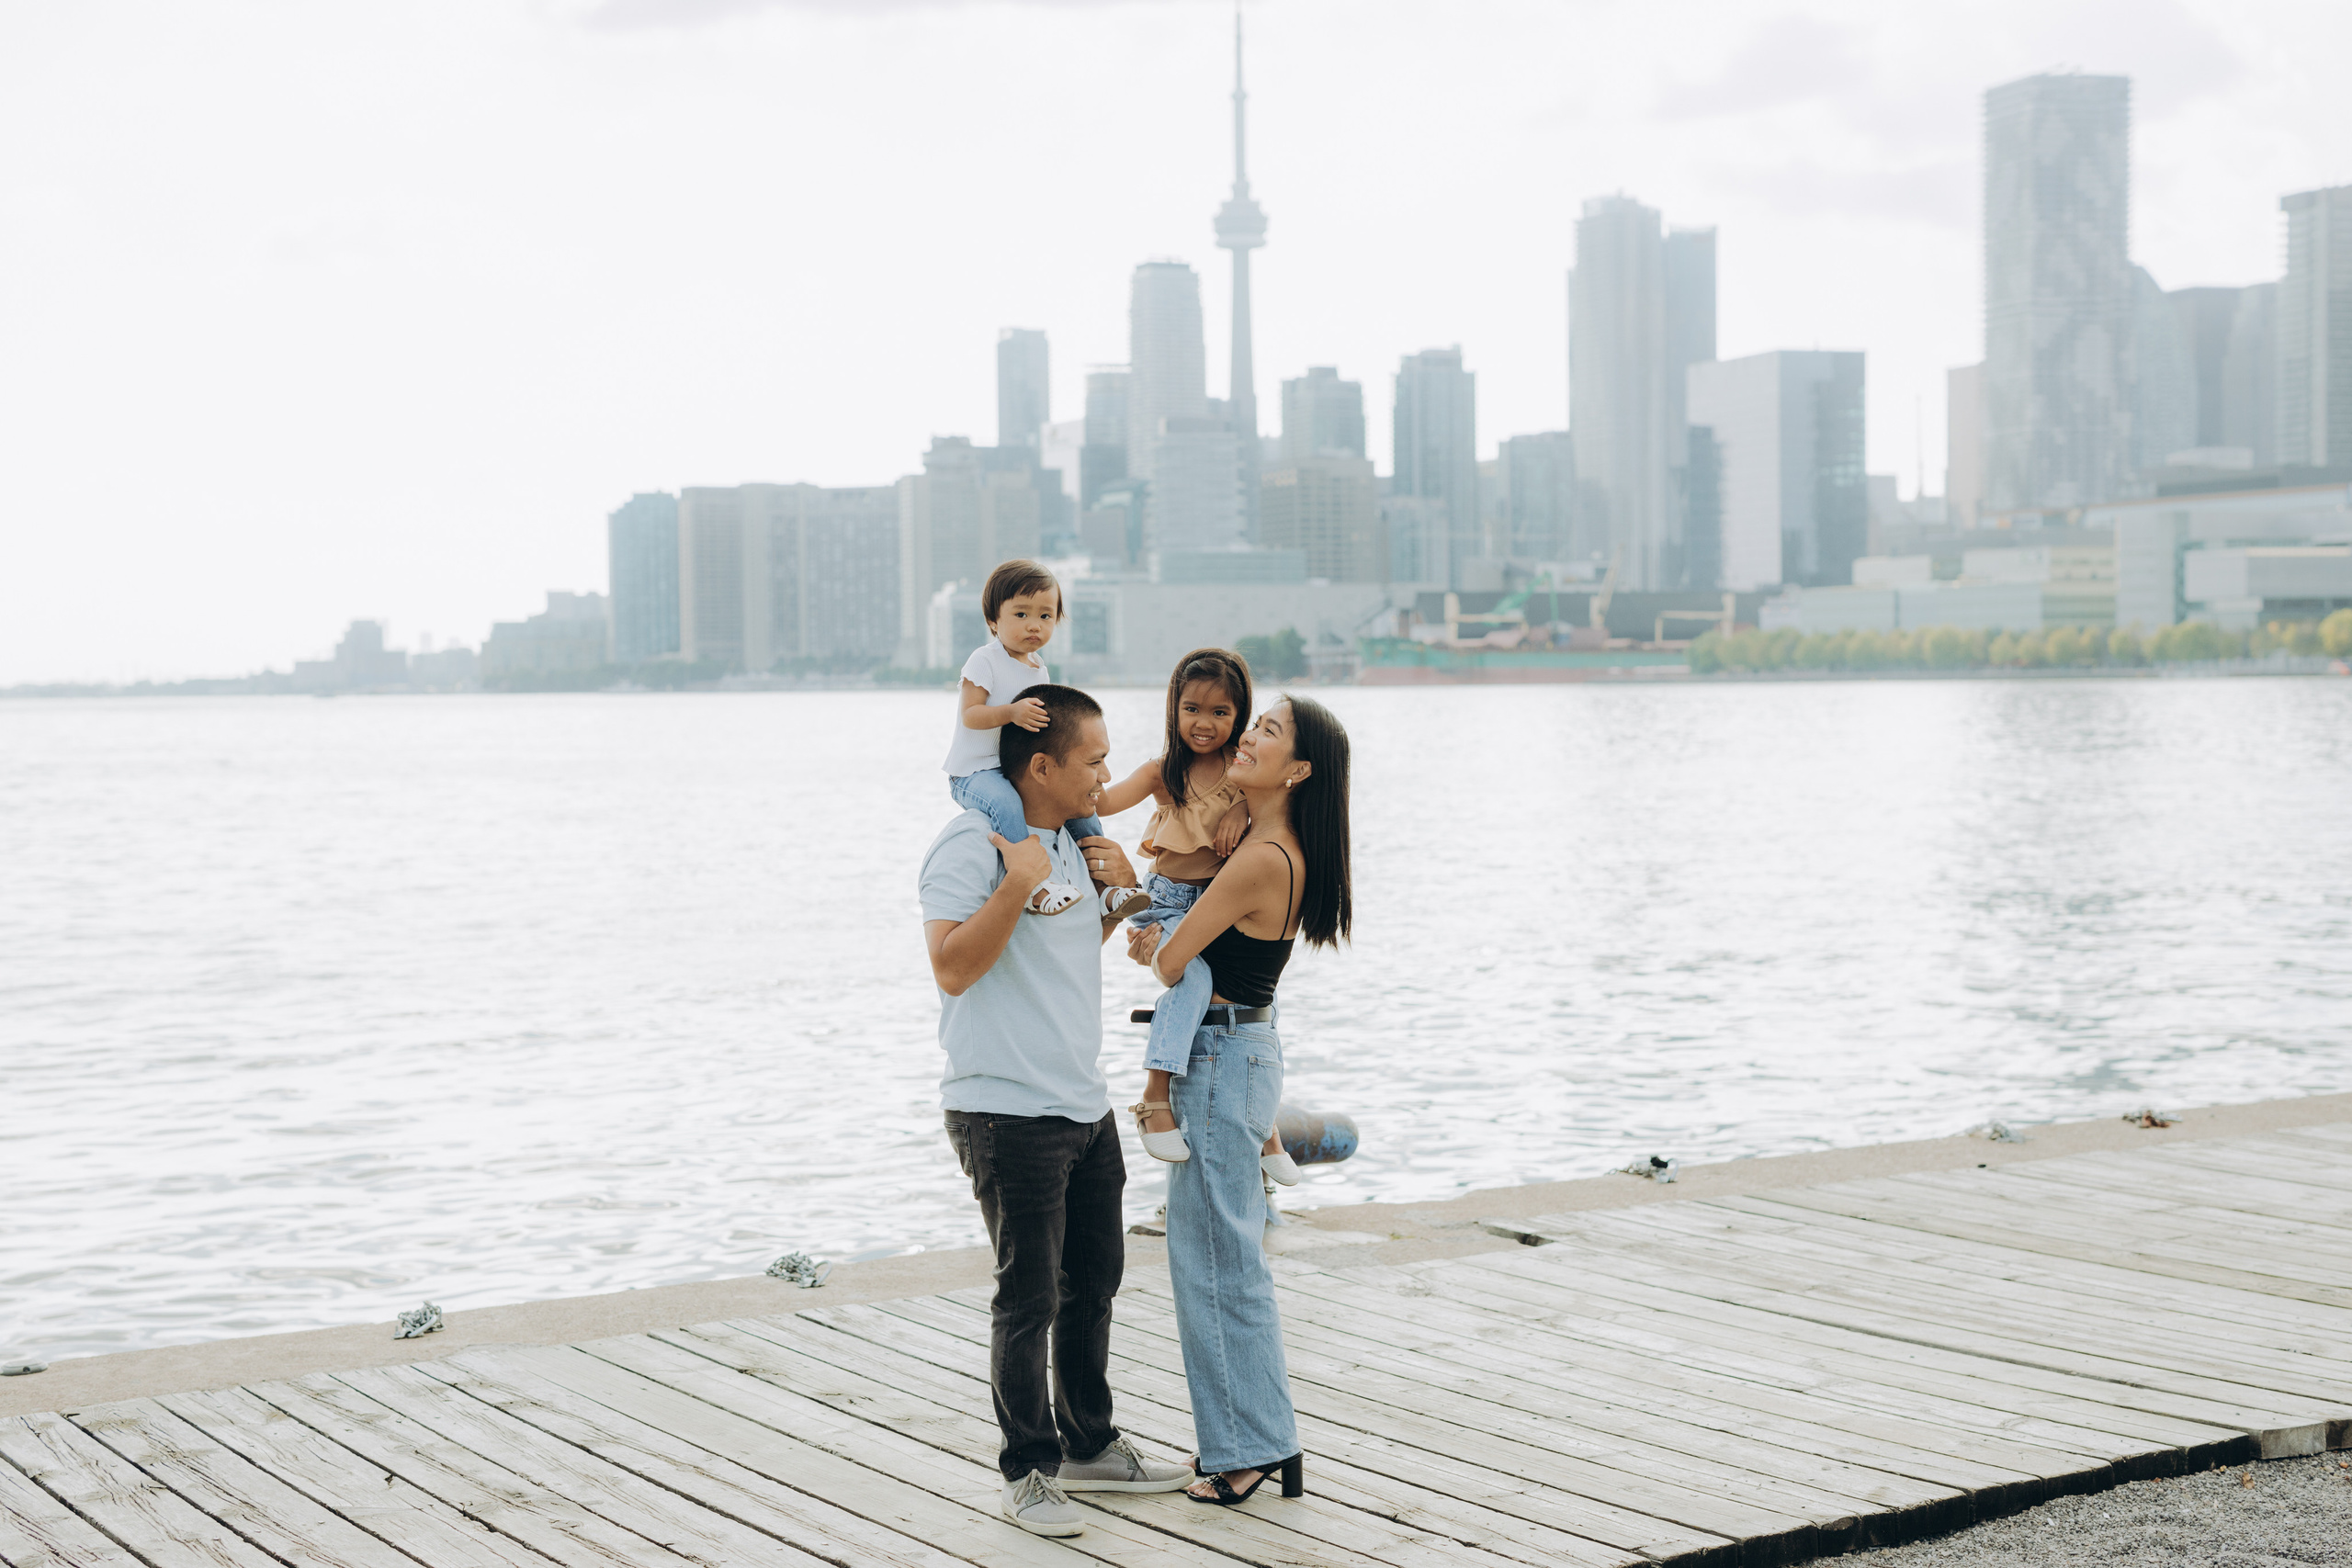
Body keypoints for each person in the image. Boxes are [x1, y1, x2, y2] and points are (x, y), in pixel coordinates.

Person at [920, 682, 1192, 1537]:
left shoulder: (1079, 843)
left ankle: (1089, 1444)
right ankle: (1029, 1471)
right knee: (1026, 1296)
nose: (1107, 775)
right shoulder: (971, 845)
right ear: (1041, 765)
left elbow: (1060, 953)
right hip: (1004, 1112)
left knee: (1093, 1285)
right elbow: (953, 969)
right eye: (1094, 760)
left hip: (1083, 1104)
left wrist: (1114, 898)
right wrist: (1015, 884)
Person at [1126, 694, 1352, 1507]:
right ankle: (1259, 1438)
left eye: (1266, 731)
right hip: (1238, 1050)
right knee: (1227, 1255)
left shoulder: (1262, 856)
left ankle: (1246, 1449)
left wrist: (1157, 940)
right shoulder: (1264, 842)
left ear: (1298, 769)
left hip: (1219, 1060)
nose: (1246, 736)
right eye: (1254, 725)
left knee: (1216, 1262)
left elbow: (1172, 961)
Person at [1093, 649, 1298, 1184]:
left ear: (1240, 716)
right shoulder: (1164, 772)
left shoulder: (1244, 774)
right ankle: (1154, 1094)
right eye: (1192, 709)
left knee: (1254, 992)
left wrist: (1239, 806)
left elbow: (1280, 805)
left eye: (1221, 713)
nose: (1204, 724)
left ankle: (1266, 1121)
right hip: (1163, 903)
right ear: (1174, 709)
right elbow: (1102, 803)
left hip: (1215, 906)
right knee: (1194, 981)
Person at [942, 558, 1149, 920]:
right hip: (975, 773)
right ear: (994, 620)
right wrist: (1011, 712)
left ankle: (1106, 891)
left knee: (1085, 817)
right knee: (1006, 804)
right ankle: (1034, 887)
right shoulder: (984, 660)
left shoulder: (1040, 667)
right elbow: (970, 716)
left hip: (1017, 768)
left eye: (1045, 616)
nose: (1034, 626)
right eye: (1021, 614)